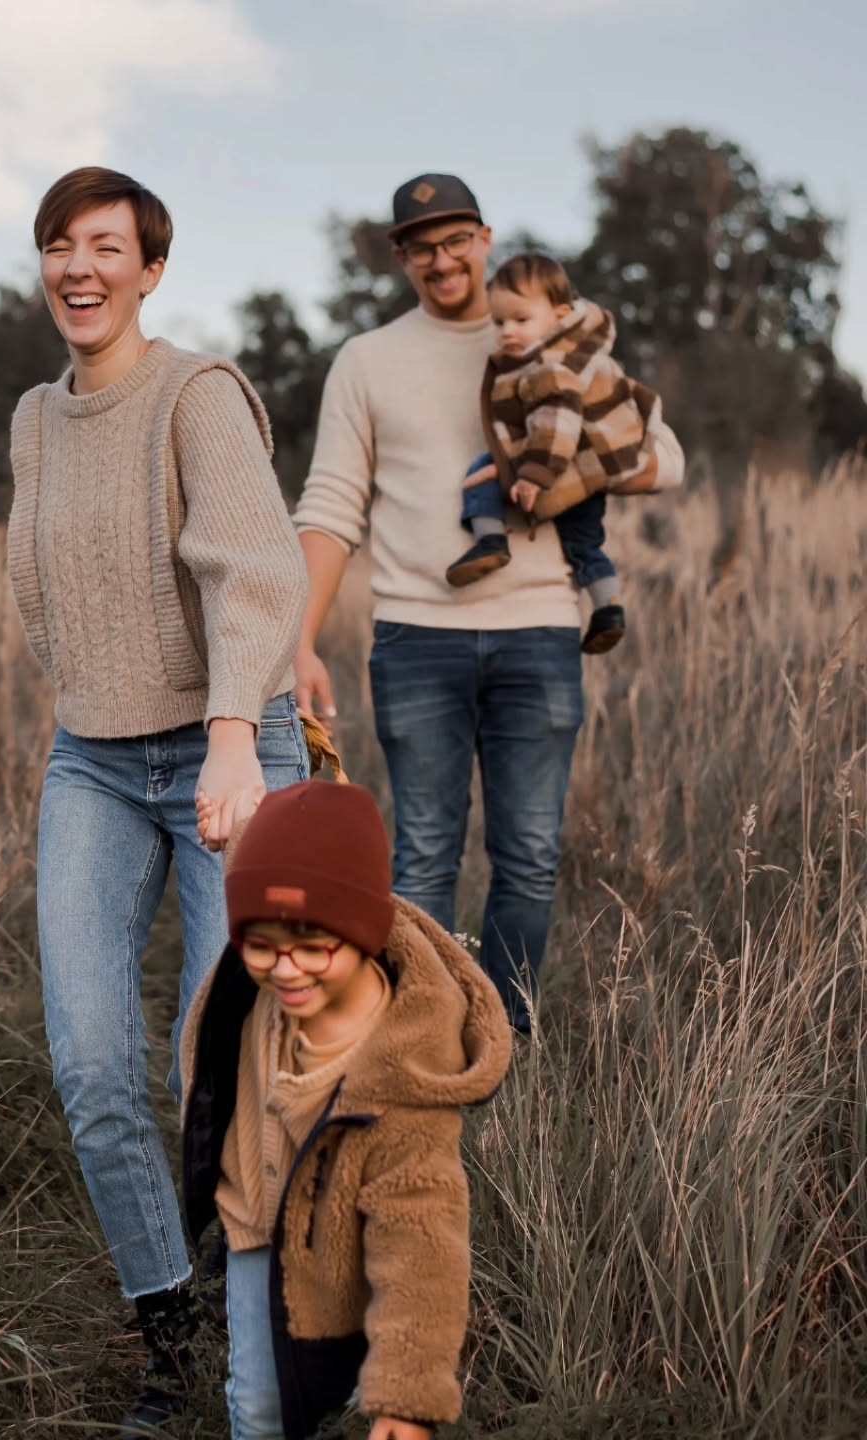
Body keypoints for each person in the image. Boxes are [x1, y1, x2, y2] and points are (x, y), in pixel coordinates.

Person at [6, 166, 310, 1433]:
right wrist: (91, 688)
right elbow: (44, 581)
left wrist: (237, 738)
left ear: (150, 270)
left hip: (227, 747)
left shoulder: (198, 395)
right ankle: (172, 1332)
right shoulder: (35, 416)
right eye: (59, 245)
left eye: (105, 246)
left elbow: (255, 570)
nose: (79, 268)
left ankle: (277, 1322)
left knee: (218, 1063)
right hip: (94, 756)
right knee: (90, 1061)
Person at [292, 173, 684, 1031]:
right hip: (415, 638)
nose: (442, 260)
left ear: (485, 239)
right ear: (400, 257)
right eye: (421, 247)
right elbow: (330, 505)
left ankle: (505, 1043)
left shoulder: (555, 339)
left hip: (538, 635)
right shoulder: (366, 360)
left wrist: (556, 480)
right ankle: (427, 1043)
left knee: (530, 859)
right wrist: (300, 640)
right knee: (424, 860)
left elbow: (664, 457)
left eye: (456, 240)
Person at [183, 780, 513, 1440]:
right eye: (260, 945)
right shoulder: (254, 977)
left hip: (350, 1254)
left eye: (312, 947)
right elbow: (272, 872)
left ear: (362, 932)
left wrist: (408, 1400)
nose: (286, 970)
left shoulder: (405, 1076)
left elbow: (422, 1245)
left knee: (352, 1401)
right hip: (254, 1226)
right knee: (257, 1407)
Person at [446, 251, 667, 656]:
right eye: (499, 322)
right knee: (585, 544)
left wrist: (533, 476)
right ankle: (608, 608)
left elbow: (557, 423)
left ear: (559, 314)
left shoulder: (550, 365)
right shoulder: (570, 354)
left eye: (521, 320)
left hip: (552, 462)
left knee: (481, 471)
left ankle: (490, 540)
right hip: (587, 474)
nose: (508, 332)